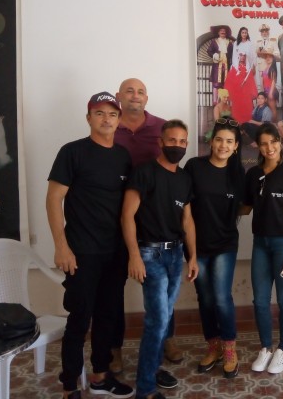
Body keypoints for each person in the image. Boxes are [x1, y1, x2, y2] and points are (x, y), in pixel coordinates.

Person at [46, 91, 134, 399]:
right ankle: (70, 385)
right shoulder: (72, 152)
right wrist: (61, 246)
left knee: (108, 316)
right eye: (99, 113)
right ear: (89, 118)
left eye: (112, 114)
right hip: (81, 252)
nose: (106, 119)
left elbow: (127, 207)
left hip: (114, 252)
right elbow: (54, 199)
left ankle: (100, 376)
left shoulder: (123, 156)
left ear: (119, 120)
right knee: (79, 319)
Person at [121, 119, 198, 399]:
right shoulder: (144, 173)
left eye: (182, 141)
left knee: (164, 315)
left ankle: (152, 368)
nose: (177, 146)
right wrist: (134, 256)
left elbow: (187, 220)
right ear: (161, 142)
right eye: (172, 140)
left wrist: (193, 257)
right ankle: (145, 388)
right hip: (149, 254)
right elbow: (127, 215)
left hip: (176, 254)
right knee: (158, 319)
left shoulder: (184, 178)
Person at [112, 78, 183, 371]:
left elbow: (171, 170)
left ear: (147, 98)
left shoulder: (161, 127)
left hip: (156, 223)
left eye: (140, 91)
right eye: (129, 91)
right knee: (113, 288)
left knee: (165, 291)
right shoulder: (109, 125)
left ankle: (167, 339)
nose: (135, 96)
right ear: (118, 96)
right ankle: (113, 348)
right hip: (115, 217)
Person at [185, 117, 245, 379]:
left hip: (225, 244)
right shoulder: (194, 167)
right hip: (197, 245)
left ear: (236, 146)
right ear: (211, 141)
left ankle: (229, 347)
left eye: (229, 141)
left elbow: (245, 206)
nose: (223, 145)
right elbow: (185, 209)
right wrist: (190, 250)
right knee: (206, 298)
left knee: (221, 297)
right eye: (219, 139)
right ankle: (213, 346)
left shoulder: (238, 174)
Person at [242, 122, 283, 375]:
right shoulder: (252, 174)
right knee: (260, 300)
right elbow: (246, 207)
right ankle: (266, 348)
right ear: (258, 146)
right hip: (260, 244)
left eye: (273, 142)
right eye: (264, 143)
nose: (269, 148)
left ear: (280, 142)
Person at [225, 52, 257, 124]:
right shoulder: (234, 67)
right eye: (241, 55)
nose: (242, 57)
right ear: (238, 56)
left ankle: (246, 126)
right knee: (237, 112)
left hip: (246, 94)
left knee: (247, 111)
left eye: (244, 55)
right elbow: (229, 81)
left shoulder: (248, 68)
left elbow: (251, 81)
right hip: (237, 93)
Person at [207, 25, 234, 102]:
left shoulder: (229, 43)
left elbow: (232, 55)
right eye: (221, 31)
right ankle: (215, 102)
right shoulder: (214, 42)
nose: (223, 32)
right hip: (217, 66)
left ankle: (224, 102)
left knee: (226, 84)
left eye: (224, 31)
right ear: (218, 32)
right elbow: (209, 51)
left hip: (227, 66)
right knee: (216, 84)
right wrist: (214, 55)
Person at [258, 47, 280, 120]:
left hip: (271, 91)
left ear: (273, 59)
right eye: (266, 57)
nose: (268, 58)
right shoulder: (266, 68)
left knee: (273, 109)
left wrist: (270, 93)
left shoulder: (272, 69)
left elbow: (273, 81)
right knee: (269, 109)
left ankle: (274, 124)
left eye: (270, 57)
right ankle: (270, 123)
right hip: (266, 91)